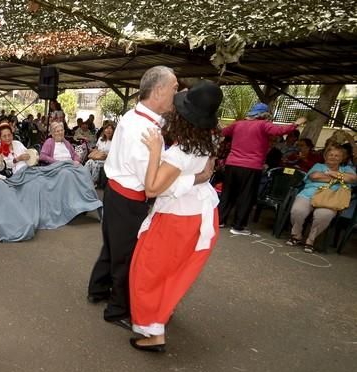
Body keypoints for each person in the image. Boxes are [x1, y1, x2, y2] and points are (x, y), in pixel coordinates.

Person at [87, 66, 213, 330]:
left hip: (116, 191)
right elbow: (154, 183)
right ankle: (117, 309)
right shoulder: (145, 130)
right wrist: (196, 179)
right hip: (129, 197)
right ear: (158, 91)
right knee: (127, 255)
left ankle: (98, 289)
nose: (178, 94)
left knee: (112, 247)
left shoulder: (139, 118)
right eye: (175, 88)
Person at [129, 80, 223, 352]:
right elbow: (205, 174)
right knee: (175, 272)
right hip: (200, 215)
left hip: (177, 219)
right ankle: (162, 313)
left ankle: (153, 331)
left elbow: (152, 188)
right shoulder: (208, 140)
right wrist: (194, 178)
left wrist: (157, 151)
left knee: (147, 271)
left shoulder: (180, 152)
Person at [218, 103, 306, 235]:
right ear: (265, 115)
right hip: (251, 166)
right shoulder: (264, 124)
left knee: (227, 193)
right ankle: (238, 226)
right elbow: (280, 131)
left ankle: (219, 220)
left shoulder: (238, 124)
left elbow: (222, 132)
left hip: (232, 164)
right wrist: (296, 123)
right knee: (245, 196)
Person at [286, 144, 356, 253]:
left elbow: (352, 179)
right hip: (309, 194)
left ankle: (311, 240)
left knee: (324, 215)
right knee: (298, 210)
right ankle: (296, 235)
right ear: (325, 156)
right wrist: (341, 178)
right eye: (330, 155)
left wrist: (331, 173)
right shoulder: (318, 166)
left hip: (331, 198)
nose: (333, 157)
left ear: (342, 158)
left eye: (337, 156)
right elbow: (314, 176)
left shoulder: (347, 169)